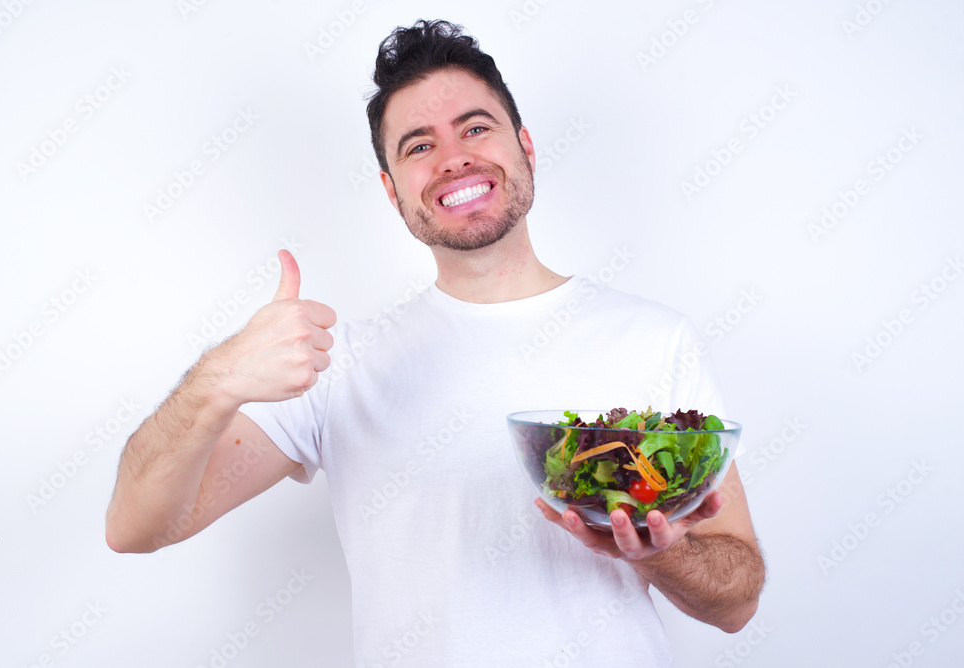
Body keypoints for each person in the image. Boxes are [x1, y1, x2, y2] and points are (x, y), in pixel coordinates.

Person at [106, 19, 764, 666]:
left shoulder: (653, 338)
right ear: (393, 193)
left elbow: (737, 601)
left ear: (526, 147)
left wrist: (663, 551)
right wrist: (215, 381)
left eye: (476, 128)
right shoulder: (337, 367)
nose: (454, 159)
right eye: (418, 145)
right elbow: (136, 526)